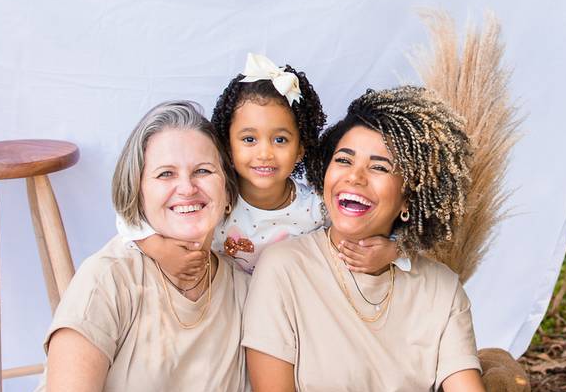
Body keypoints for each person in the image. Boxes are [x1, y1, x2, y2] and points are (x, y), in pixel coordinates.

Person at [243, 86, 486, 392]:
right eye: (344, 160)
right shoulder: (285, 269)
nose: (355, 177)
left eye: (379, 167)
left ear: (409, 197)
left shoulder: (442, 290)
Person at [117, 53, 401, 277]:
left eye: (280, 140)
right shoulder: (215, 198)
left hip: (287, 313)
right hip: (226, 308)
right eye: (249, 139)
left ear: (301, 148)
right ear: (227, 146)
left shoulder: (317, 207)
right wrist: (159, 249)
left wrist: (392, 251)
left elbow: (373, 224)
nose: (265, 153)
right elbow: (129, 217)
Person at [35, 101, 249, 392]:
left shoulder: (245, 291)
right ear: (138, 192)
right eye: (165, 174)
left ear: (227, 190)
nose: (187, 188)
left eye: (203, 170)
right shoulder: (107, 279)